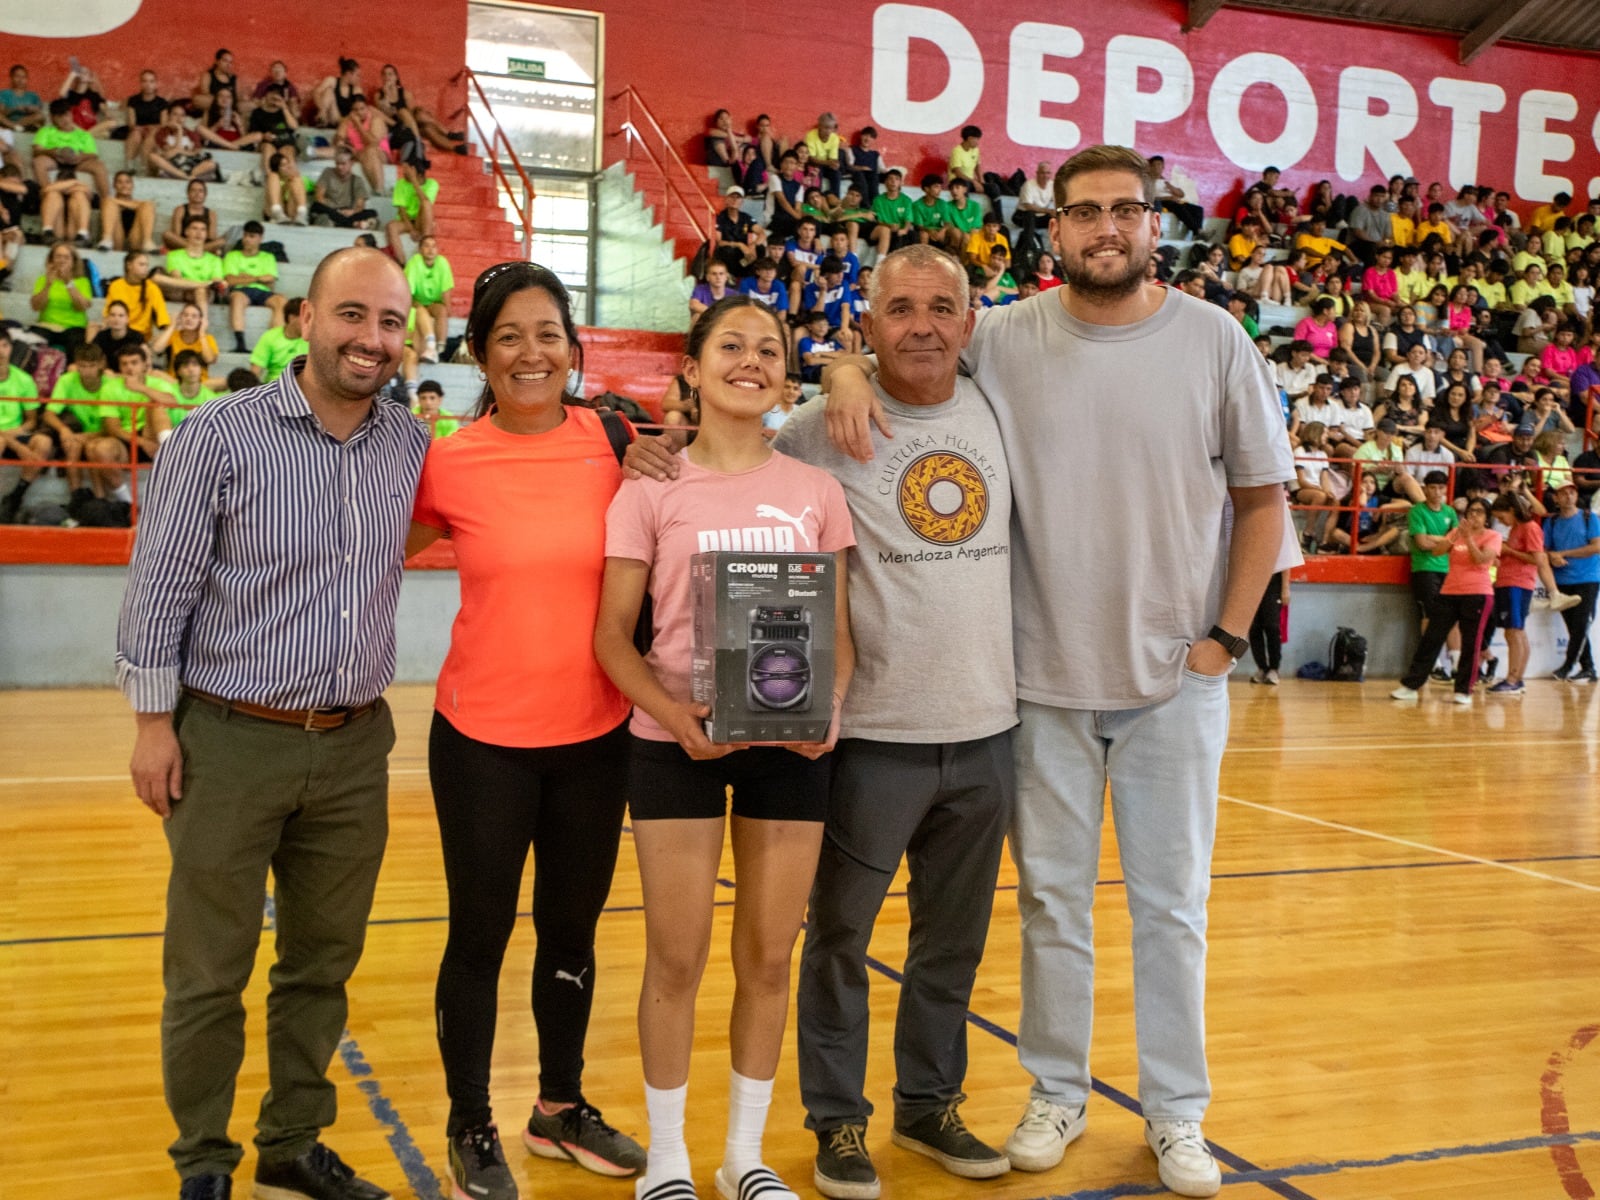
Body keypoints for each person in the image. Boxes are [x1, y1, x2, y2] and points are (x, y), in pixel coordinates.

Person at [820, 144, 1294, 1199]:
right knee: (1051, 905)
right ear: (1055, 230)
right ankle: (1056, 1088)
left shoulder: (1215, 339)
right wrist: (843, 366)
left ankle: (1177, 1113)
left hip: (1177, 682)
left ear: (1153, 223)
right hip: (1039, 686)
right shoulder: (1009, 336)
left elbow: (1263, 502)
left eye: (1124, 210)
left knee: (1172, 907)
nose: (1105, 229)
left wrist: (1222, 639)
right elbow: (911, 342)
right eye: (1083, 212)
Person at [116, 246, 427, 1200]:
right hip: (230, 737)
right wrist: (152, 726)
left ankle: (292, 1140)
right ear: (304, 317)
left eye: (388, 322)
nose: (370, 340)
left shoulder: (411, 446)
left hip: (354, 742)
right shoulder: (216, 436)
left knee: (321, 964)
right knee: (209, 970)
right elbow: (156, 590)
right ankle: (204, 1159)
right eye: (352, 316)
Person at [593, 296, 856, 1200]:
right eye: (731, 347)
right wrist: (675, 718)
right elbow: (611, 641)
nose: (752, 361)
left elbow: (842, 633)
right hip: (674, 744)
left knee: (770, 955)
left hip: (790, 747)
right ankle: (666, 1158)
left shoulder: (817, 493)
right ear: (694, 371)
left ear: (788, 377)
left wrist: (834, 707)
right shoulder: (648, 489)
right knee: (676, 955)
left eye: (770, 350)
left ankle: (744, 1155)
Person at [405, 262, 648, 1200]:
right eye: (510, 335)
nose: (532, 352)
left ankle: (557, 1108)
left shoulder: (620, 442)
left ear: (575, 349)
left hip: (597, 736)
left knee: (572, 933)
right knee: (478, 935)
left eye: (548, 333)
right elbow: (359, 550)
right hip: (481, 741)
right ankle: (472, 1121)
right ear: (480, 352)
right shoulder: (450, 459)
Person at [1392, 497, 1500, 703]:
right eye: (1470, 511)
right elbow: (1437, 551)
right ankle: (1411, 685)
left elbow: (1481, 559)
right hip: (1450, 591)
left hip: (1478, 593)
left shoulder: (1492, 536)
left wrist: (1468, 538)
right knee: (1431, 638)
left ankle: (1464, 690)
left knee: (1471, 642)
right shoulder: (1456, 532)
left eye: (1479, 512)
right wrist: (1454, 536)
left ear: (1487, 517)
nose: (1473, 515)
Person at [1545, 479, 1600, 682]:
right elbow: (1546, 549)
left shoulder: (1589, 518)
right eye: (1564, 493)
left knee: (1581, 623)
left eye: (1572, 493)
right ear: (1556, 498)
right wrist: (1553, 556)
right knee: (1574, 626)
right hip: (1563, 580)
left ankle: (1568, 666)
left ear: (1577, 496)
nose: (1568, 496)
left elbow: (1596, 547)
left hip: (1588, 578)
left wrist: (1564, 553)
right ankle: (1589, 668)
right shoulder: (1551, 522)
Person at [222, 220, 288, 354]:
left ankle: (275, 344)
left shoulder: (268, 257)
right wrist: (259, 278)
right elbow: (230, 280)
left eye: (251, 236)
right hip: (241, 291)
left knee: (281, 301)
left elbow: (270, 282)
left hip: (263, 292)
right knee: (237, 298)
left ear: (260, 239)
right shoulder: (232, 256)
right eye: (245, 235)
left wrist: (246, 277)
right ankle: (240, 343)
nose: (247, 239)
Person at [311, 148, 378, 229]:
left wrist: (352, 212)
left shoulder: (357, 180)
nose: (339, 167)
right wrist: (336, 211)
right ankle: (352, 224)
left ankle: (345, 222)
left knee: (372, 213)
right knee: (317, 206)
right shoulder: (327, 172)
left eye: (343, 164)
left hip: (348, 213)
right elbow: (319, 197)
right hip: (330, 210)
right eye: (337, 164)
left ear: (351, 163)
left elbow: (360, 205)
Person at [251, 297, 309, 382]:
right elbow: (255, 371)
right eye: (305, 318)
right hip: (275, 387)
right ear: (291, 318)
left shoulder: (314, 338)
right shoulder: (270, 337)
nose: (309, 322)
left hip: (303, 387)